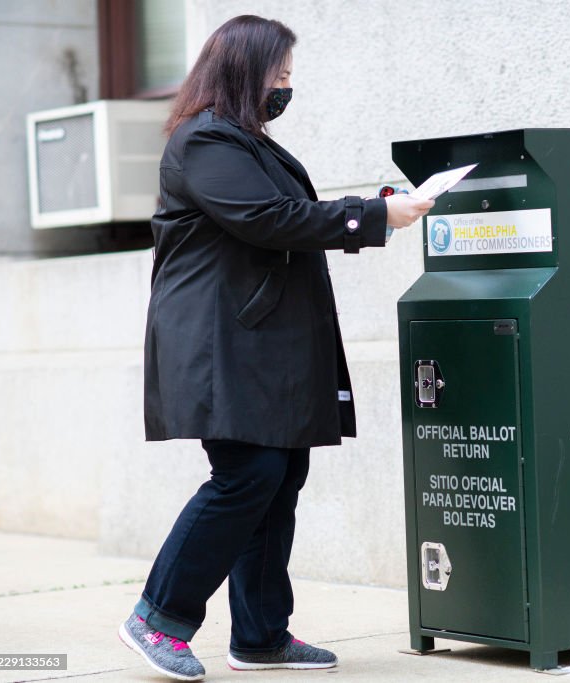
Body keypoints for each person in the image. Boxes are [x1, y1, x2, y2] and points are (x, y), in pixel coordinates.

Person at [117, 15, 433, 681]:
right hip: (219, 348)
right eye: (278, 75)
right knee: (247, 475)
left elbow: (283, 212)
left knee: (279, 475)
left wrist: (371, 207)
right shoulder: (205, 142)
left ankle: (261, 636)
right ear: (241, 73)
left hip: (256, 345)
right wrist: (374, 216)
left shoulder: (243, 144)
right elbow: (267, 219)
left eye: (289, 75)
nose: (287, 86)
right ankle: (157, 615)